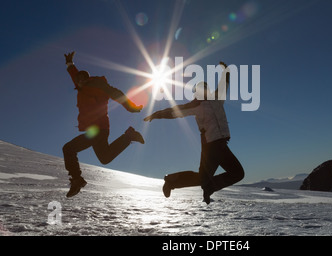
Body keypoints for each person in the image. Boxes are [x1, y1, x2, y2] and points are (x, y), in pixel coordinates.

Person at [144, 62, 244, 204]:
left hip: (220, 144)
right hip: (211, 145)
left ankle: (173, 181)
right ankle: (207, 186)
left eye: (205, 88)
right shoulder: (195, 105)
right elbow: (175, 111)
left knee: (205, 178)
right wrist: (157, 114)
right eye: (200, 90)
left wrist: (226, 72)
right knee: (236, 173)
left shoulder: (217, 99)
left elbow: (224, 84)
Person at [63, 51, 145, 197]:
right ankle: (129, 136)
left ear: (87, 79)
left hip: (98, 129)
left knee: (69, 149)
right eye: (77, 80)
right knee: (105, 158)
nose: (79, 82)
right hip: (98, 130)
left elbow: (117, 94)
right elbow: (74, 75)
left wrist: (131, 107)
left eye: (82, 79)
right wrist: (70, 63)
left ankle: (77, 179)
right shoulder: (81, 86)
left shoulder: (99, 86)